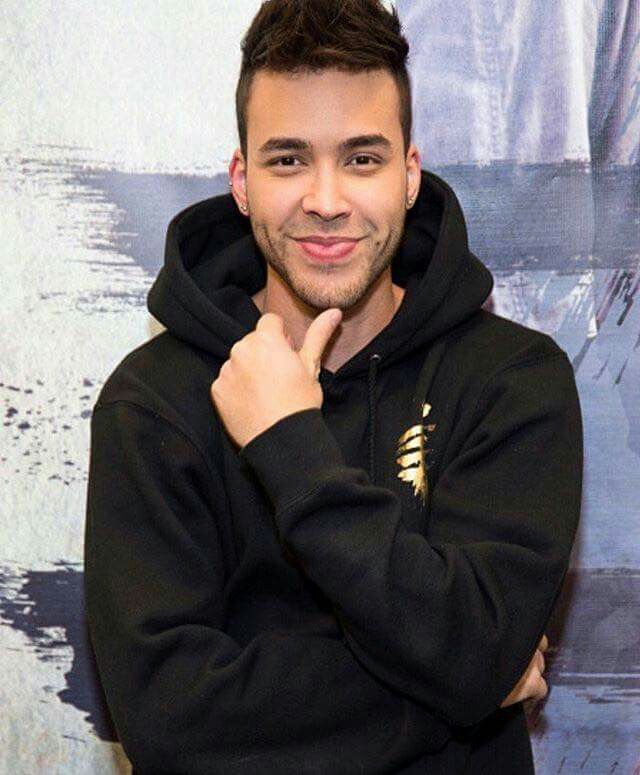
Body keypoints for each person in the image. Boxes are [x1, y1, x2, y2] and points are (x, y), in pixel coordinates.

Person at [83, 1, 583, 772]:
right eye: (288, 160)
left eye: (362, 158)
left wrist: (291, 449)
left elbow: (477, 644)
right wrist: (465, 678)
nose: (325, 199)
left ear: (410, 173)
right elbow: (167, 721)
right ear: (242, 181)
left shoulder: (512, 378)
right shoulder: (153, 400)